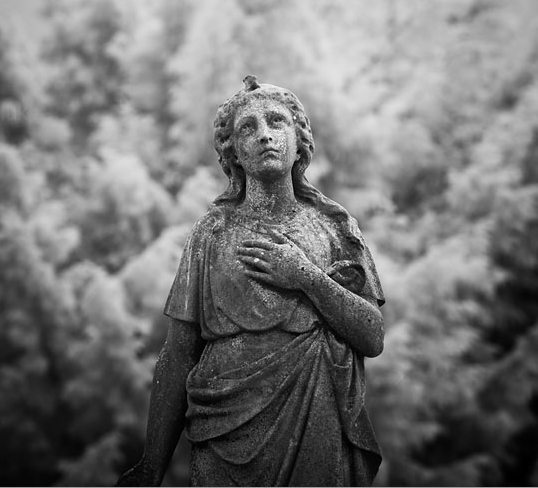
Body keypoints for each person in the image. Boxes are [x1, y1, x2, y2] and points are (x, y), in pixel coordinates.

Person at [117, 75, 385, 486]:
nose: (264, 135)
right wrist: (153, 462)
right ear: (234, 154)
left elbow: (372, 336)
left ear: (299, 142)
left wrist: (306, 278)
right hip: (224, 432)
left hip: (317, 418)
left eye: (276, 122)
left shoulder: (334, 228)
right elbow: (177, 354)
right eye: (248, 127)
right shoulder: (212, 233)